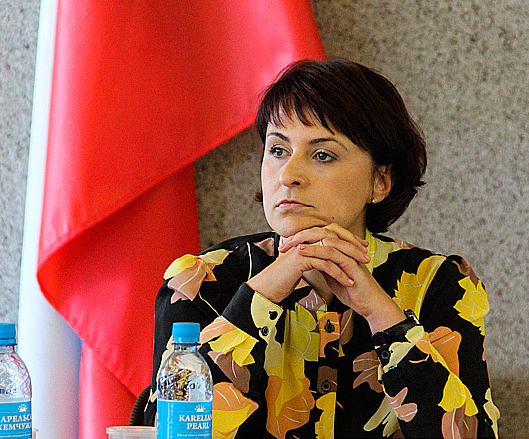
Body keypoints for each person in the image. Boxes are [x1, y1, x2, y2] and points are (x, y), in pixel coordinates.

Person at [141, 59, 500, 438]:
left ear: (380, 181)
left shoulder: (439, 283)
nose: (288, 175)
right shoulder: (201, 281)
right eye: (278, 150)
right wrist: (259, 298)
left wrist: (383, 315)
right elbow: (165, 431)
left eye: (322, 155)